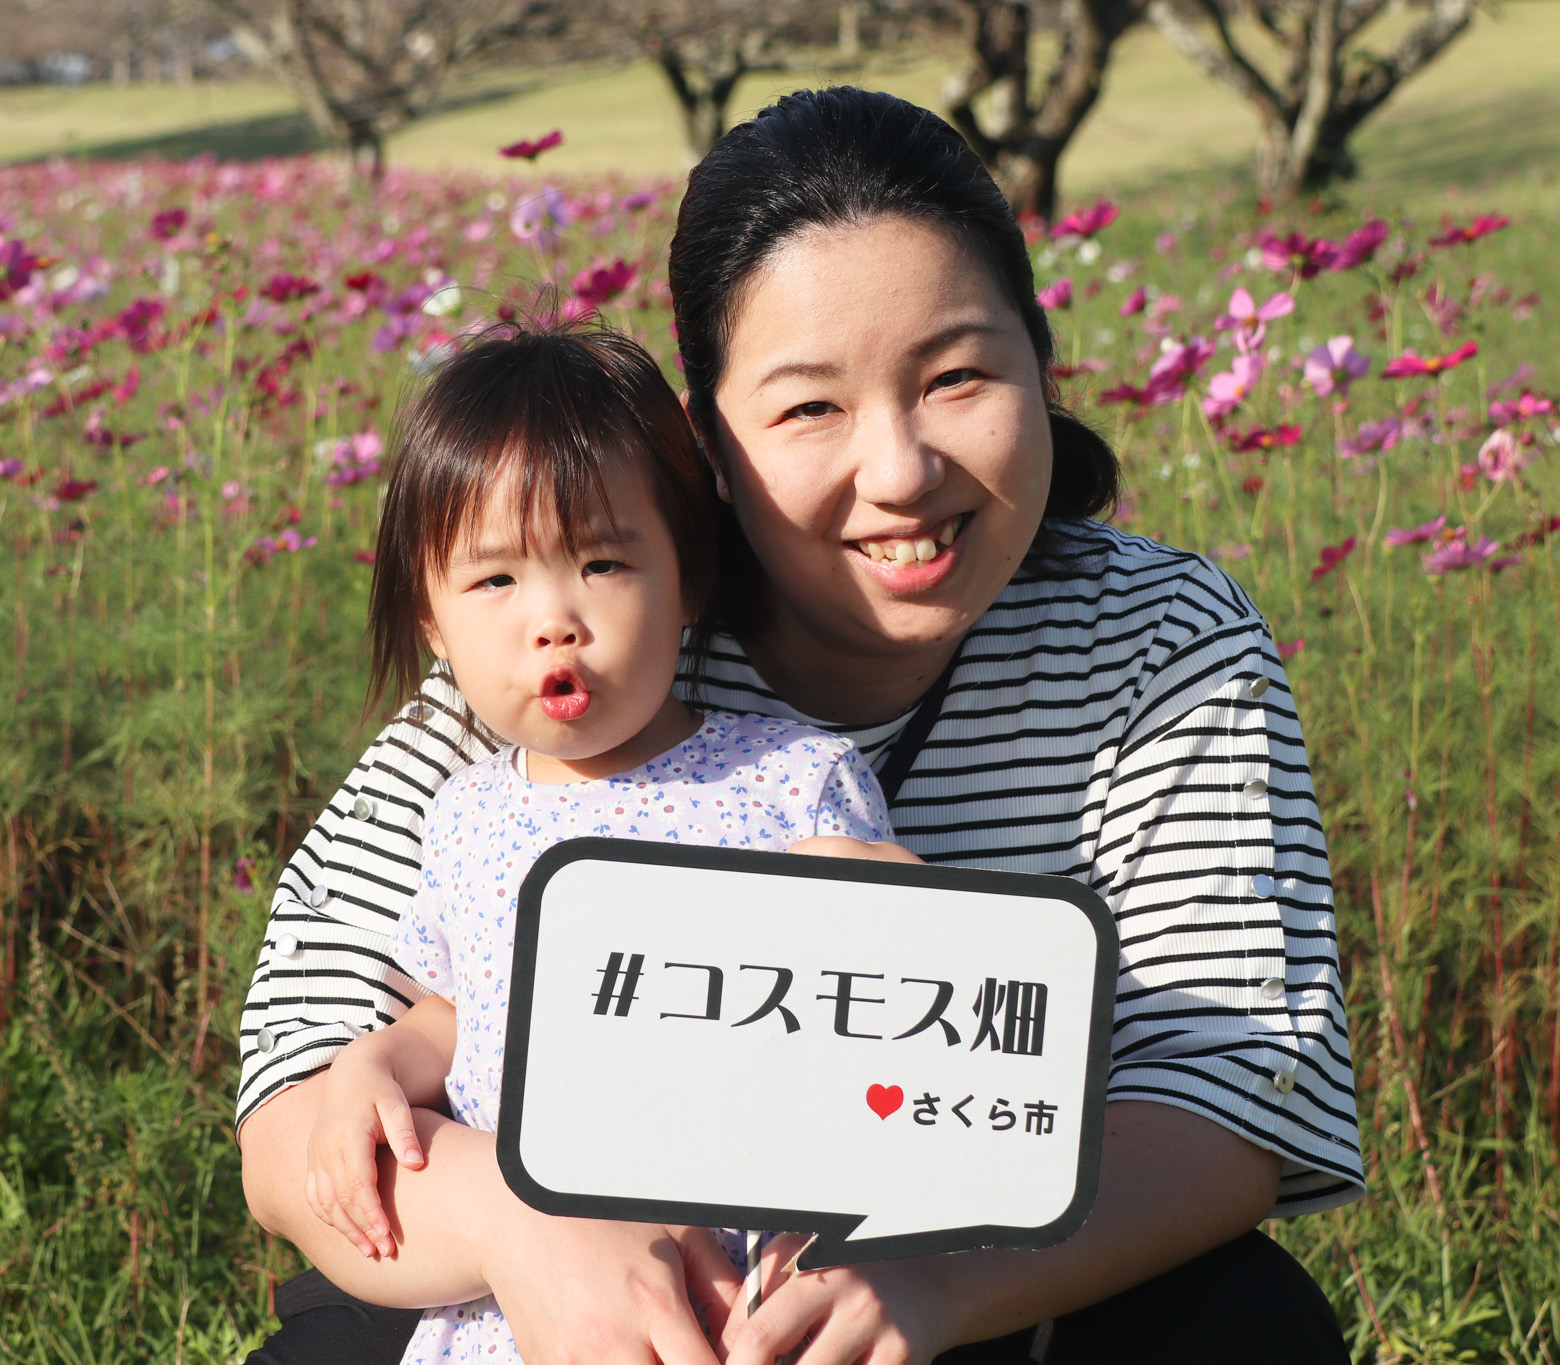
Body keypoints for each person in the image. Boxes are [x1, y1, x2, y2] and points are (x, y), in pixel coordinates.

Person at [238, 87, 1362, 1365]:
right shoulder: (571, 657)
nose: (898, 470)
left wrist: (928, 1282)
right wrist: (520, 1222)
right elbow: (293, 1118)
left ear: (1040, 368)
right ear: (703, 448)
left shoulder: (1161, 638)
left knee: (1242, 1328)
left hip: (959, 1266)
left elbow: (1226, 1102)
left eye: (954, 377)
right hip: (518, 1285)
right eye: (809, 407)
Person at [300, 320, 911, 1363]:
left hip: (751, 1291)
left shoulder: (789, 780)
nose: (553, 620)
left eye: (600, 562)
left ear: (688, 585)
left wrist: (888, 899)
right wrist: (372, 1065)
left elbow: (904, 996)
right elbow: (456, 1016)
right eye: (494, 582)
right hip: (523, 1303)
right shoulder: (462, 818)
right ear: (433, 623)